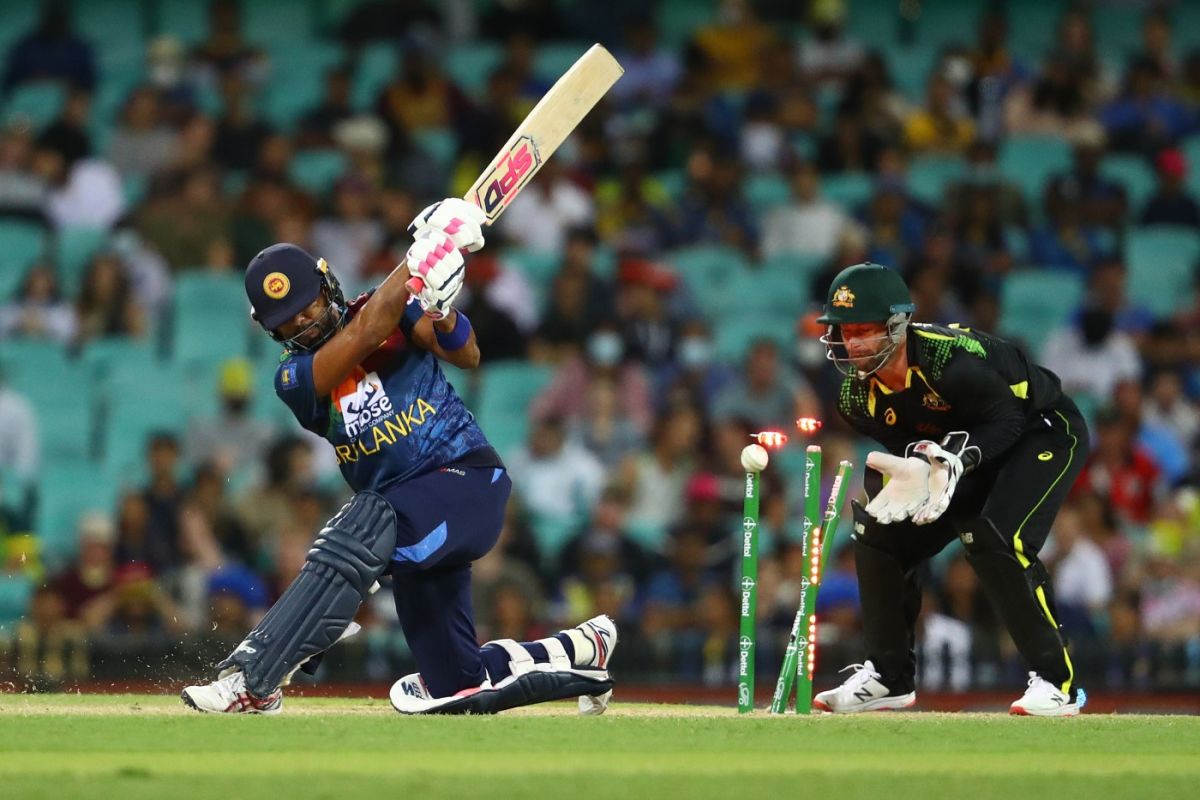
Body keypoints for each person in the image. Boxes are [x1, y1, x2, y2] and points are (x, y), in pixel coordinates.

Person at [181, 198, 617, 715]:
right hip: (403, 523)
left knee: (361, 518)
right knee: (456, 687)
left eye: (308, 304)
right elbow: (365, 334)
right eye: (287, 319)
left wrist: (440, 308)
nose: (303, 320)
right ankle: (582, 653)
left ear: (329, 285)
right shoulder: (294, 378)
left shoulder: (391, 308)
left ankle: (254, 681)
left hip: (465, 483)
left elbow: (468, 354)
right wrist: (418, 256)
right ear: (269, 330)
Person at [812, 263, 1089, 716]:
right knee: (878, 532)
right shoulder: (854, 398)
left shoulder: (948, 362)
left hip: (1040, 430)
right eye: (844, 332)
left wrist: (957, 461)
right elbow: (914, 450)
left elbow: (1007, 419)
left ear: (898, 326)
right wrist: (918, 475)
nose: (853, 344)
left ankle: (1057, 684)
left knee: (997, 538)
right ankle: (889, 678)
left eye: (865, 330)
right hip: (958, 453)